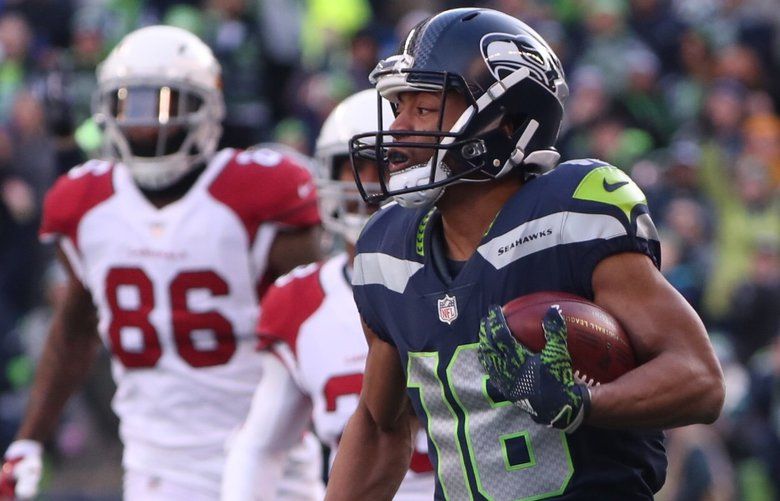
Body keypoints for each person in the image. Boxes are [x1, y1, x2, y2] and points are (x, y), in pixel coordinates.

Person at [325, 8, 725, 500]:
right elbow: (380, 422)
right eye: (399, 108)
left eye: (423, 109)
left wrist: (584, 404)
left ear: (506, 122)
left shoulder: (568, 216)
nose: (400, 128)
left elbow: (700, 380)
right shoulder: (387, 251)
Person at [0, 26, 324, 501]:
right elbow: (73, 328)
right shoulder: (87, 204)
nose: (146, 124)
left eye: (166, 105)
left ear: (206, 108)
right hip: (156, 470)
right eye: (130, 106)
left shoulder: (256, 197)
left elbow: (329, 317)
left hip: (272, 467)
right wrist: (29, 437)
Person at [220, 89, 435, 501]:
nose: (370, 184)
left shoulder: (470, 276)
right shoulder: (300, 302)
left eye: (389, 164)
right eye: (355, 167)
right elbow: (260, 446)